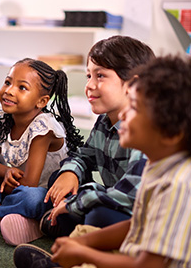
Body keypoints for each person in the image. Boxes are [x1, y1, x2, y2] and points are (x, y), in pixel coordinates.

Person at [14, 55, 191, 268]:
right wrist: (84, 243)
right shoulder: (159, 168)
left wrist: (85, 254)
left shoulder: (178, 185)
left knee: (96, 223)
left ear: (170, 134)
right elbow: (136, 225)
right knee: (85, 229)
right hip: (136, 247)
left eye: (134, 108)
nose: (124, 113)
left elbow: (149, 265)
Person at [0, 58, 84, 246]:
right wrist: (5, 171)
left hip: (42, 191)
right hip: (13, 184)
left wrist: (2, 184)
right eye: (8, 82)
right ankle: (8, 220)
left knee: (30, 198)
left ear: (41, 101)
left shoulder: (43, 128)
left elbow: (31, 184)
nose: (9, 90)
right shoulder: (4, 120)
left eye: (21, 88)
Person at [40, 35, 155, 238]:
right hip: (115, 200)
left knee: (98, 215)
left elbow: (130, 195)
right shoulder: (104, 120)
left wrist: (81, 199)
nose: (90, 85)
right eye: (88, 76)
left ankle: (73, 231)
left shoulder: (147, 130)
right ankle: (69, 225)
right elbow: (85, 155)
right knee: (58, 181)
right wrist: (71, 173)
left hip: (144, 215)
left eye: (100, 76)